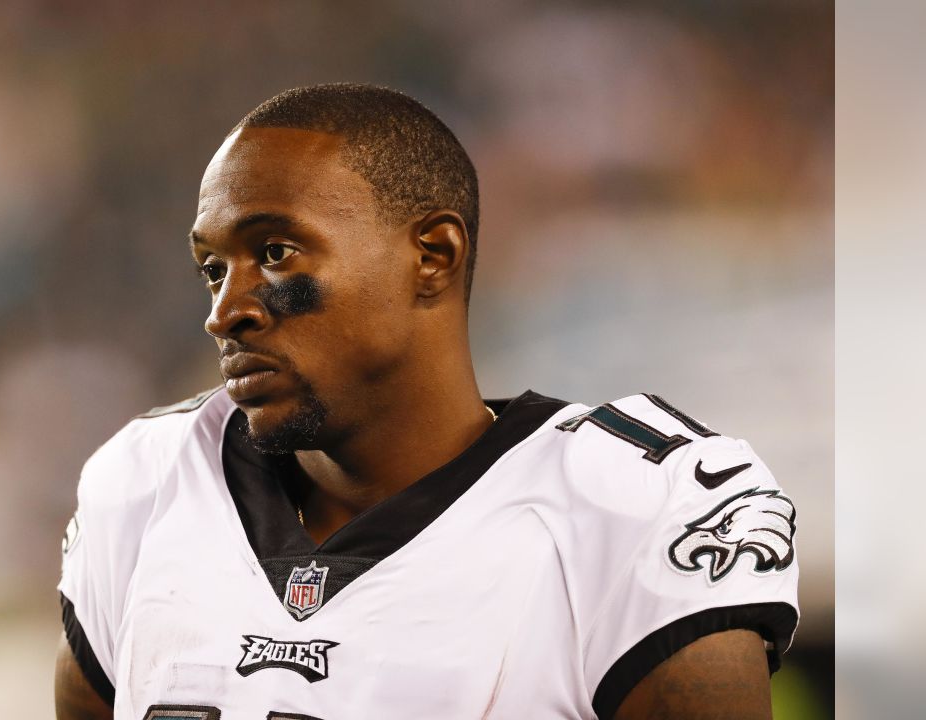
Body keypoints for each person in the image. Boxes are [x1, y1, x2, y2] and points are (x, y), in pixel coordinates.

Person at [54, 83, 798, 720]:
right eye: (213, 269)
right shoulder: (149, 484)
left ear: (433, 256)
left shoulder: (628, 505)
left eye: (275, 253)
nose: (226, 311)